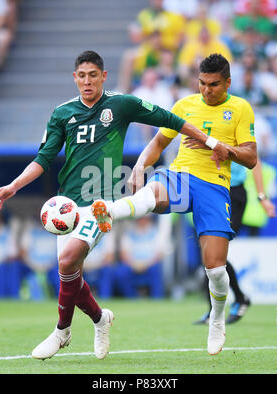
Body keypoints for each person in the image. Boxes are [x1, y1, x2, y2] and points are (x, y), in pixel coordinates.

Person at [0, 50, 232, 361]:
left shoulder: (121, 104)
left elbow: (171, 120)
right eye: (82, 76)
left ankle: (61, 332)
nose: (87, 81)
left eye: (93, 75)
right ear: (75, 78)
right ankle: (100, 319)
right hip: (68, 205)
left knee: (67, 263)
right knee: (71, 276)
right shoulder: (62, 114)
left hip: (102, 202)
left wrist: (211, 142)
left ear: (103, 76)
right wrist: (13, 185)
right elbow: (43, 159)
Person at [91, 53, 258, 355]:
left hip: (215, 187)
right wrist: (141, 165)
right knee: (154, 190)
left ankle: (217, 321)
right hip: (181, 175)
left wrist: (225, 150)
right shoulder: (184, 106)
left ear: (228, 83)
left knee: (216, 269)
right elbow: (158, 142)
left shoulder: (240, 108)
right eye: (202, 83)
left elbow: (251, 157)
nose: (207, 90)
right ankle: (112, 210)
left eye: (214, 85)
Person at [194, 159, 277, 325]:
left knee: (214, 252)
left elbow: (254, 160)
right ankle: (221, 307)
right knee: (207, 255)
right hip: (210, 191)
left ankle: (237, 299)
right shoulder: (201, 133)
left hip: (232, 193)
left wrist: (262, 197)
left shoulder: (236, 132)